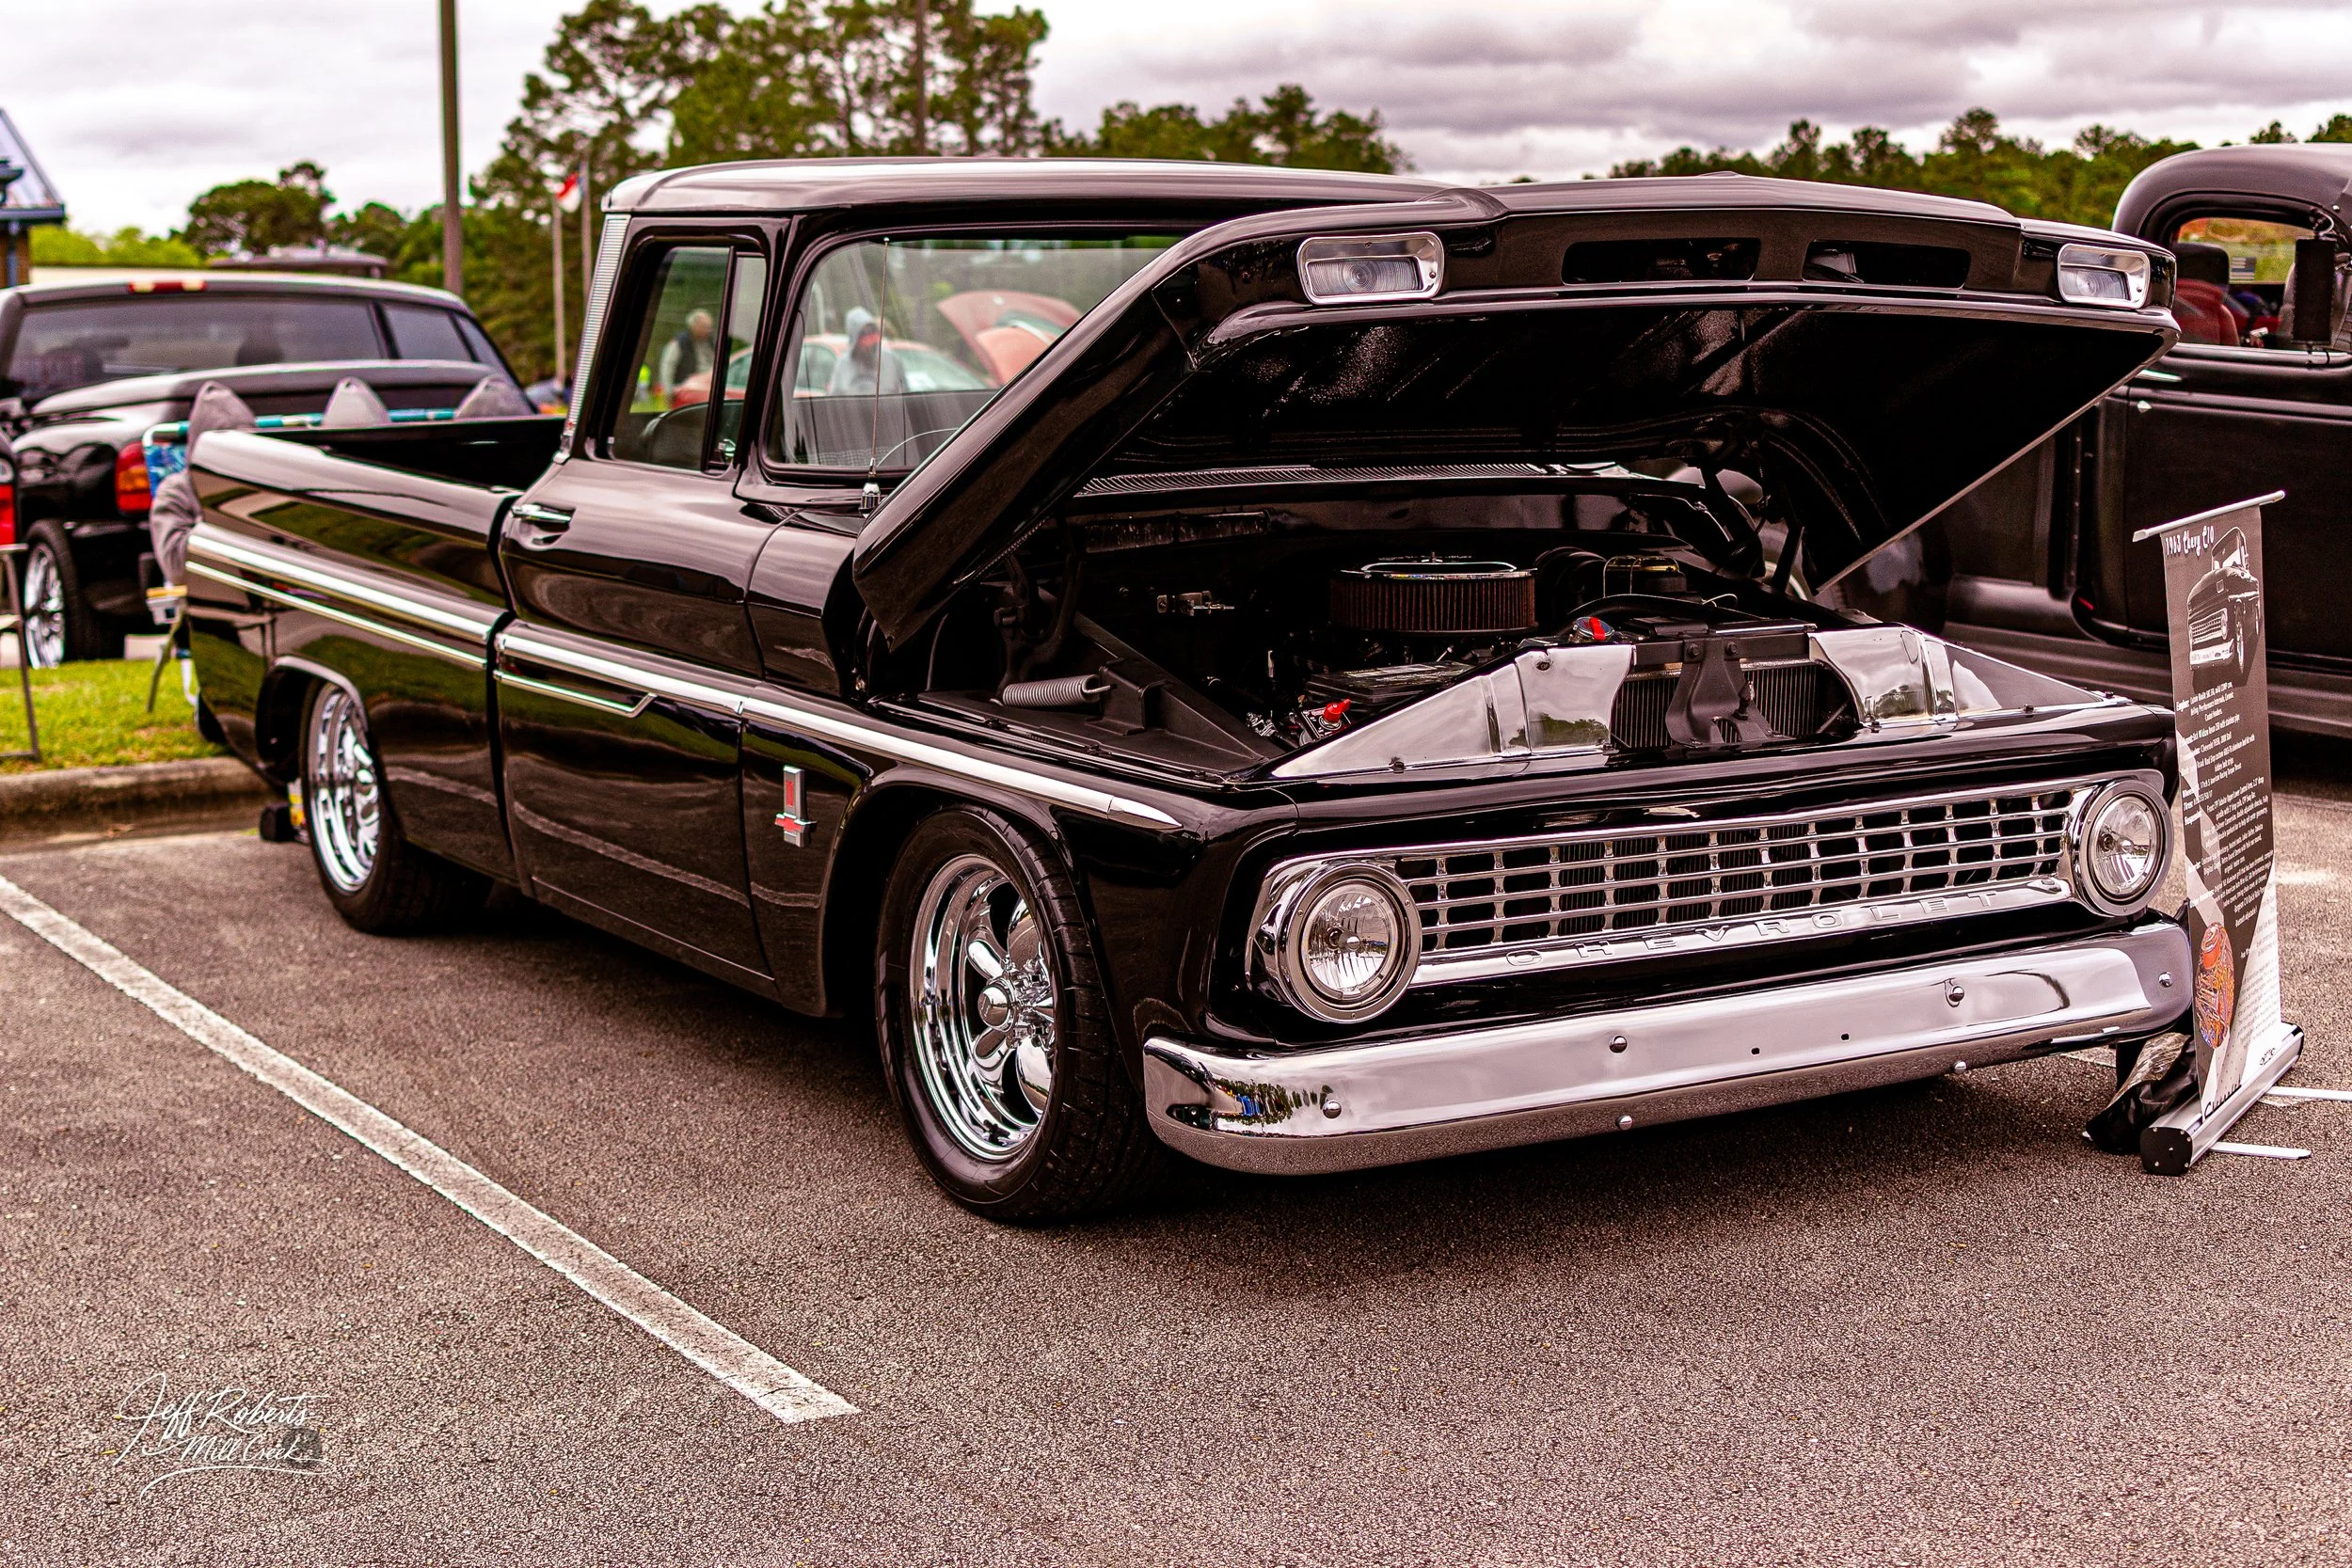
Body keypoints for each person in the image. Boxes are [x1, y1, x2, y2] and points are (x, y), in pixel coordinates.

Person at [825, 306, 904, 396]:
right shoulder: (843, 365)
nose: (869, 342)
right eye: (864, 334)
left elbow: (906, 399)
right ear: (855, 340)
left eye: (872, 332)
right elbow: (833, 401)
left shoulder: (892, 361)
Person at [655, 308, 715, 405]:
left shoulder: (712, 343)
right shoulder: (679, 342)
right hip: (685, 391)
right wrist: (668, 391)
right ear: (693, 325)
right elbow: (667, 366)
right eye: (705, 326)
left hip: (706, 390)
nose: (708, 330)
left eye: (709, 327)